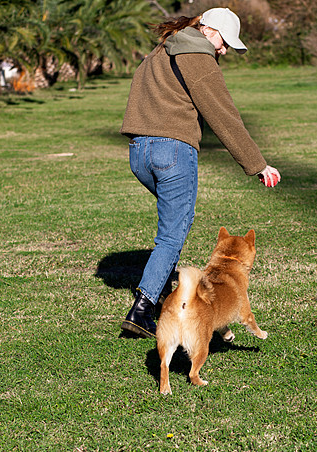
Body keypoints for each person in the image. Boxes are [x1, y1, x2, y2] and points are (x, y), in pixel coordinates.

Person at [119, 7, 281, 338]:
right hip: (173, 151)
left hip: (140, 152)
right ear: (208, 30)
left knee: (175, 221)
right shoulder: (197, 54)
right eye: (224, 42)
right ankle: (142, 309)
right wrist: (257, 163)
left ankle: (164, 291)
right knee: (172, 233)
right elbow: (223, 114)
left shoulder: (161, 50)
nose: (223, 51)